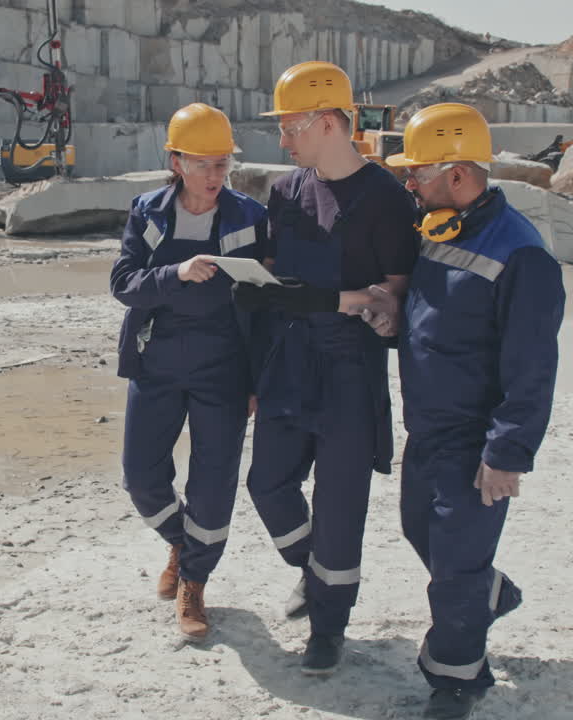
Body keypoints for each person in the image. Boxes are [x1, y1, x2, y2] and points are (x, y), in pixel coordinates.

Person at [381, 103, 566, 719]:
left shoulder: (522, 254)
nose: (410, 183)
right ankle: (491, 592)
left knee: (454, 570)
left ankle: (455, 683)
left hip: (475, 438)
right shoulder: (440, 228)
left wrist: (507, 452)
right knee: (420, 532)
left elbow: (532, 364)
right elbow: (435, 319)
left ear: (458, 174)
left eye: (419, 173)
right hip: (428, 428)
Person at [233, 60, 418, 675]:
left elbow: (393, 295)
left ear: (331, 123)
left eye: (291, 125)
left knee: (340, 506)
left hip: (347, 366)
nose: (282, 138)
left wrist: (373, 308)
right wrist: (256, 374)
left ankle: (329, 628)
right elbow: (270, 283)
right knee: (267, 484)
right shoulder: (286, 191)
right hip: (288, 358)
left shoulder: (388, 198)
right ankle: (315, 576)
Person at [110, 102, 268, 641]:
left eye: (223, 164)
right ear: (176, 161)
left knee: (213, 480)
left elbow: (265, 305)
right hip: (156, 362)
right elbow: (123, 283)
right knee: (141, 476)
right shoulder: (148, 212)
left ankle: (194, 582)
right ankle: (182, 542)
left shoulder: (250, 216)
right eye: (203, 163)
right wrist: (175, 273)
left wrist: (256, 380)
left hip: (223, 366)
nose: (215, 176)